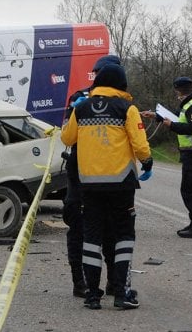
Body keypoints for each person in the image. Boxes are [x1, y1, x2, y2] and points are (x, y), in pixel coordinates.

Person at [61, 63, 153, 310]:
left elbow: (67, 139)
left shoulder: (82, 108)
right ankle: (121, 293)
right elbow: (140, 144)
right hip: (121, 185)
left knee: (91, 238)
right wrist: (147, 162)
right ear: (122, 84)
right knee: (123, 236)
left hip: (89, 185)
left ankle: (92, 295)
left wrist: (75, 115)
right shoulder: (127, 108)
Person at [61, 55, 123, 298]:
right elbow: (67, 135)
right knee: (80, 227)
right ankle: (81, 280)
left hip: (109, 177)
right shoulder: (80, 99)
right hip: (84, 176)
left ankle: (111, 281)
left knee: (111, 230)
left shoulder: (123, 102)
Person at [140, 77, 192, 239]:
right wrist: (156, 116)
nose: (177, 95)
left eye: (177, 92)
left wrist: (171, 126)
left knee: (190, 190)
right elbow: (179, 116)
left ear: (180, 91)